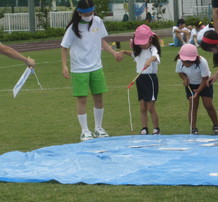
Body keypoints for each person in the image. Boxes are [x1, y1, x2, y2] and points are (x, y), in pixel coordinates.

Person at [61, 0, 123, 142]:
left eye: (91, 12)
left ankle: (98, 128)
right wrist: (64, 65)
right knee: (82, 99)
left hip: (96, 66)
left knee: (98, 97)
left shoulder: (97, 21)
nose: (89, 15)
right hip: (79, 68)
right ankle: (85, 130)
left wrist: (114, 53)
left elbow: (101, 40)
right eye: (86, 13)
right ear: (79, 12)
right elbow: (64, 47)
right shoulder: (73, 27)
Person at [121, 24, 161, 135]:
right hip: (140, 78)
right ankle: (144, 128)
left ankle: (156, 128)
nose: (142, 45)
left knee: (151, 107)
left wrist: (150, 61)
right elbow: (134, 55)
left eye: (144, 42)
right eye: (140, 43)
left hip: (150, 79)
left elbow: (156, 56)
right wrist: (124, 51)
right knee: (142, 106)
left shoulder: (153, 48)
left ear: (150, 39)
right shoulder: (138, 50)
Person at [175, 44, 218, 135]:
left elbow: (205, 78)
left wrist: (198, 91)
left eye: (189, 61)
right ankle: (193, 129)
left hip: (205, 83)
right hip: (190, 85)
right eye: (185, 61)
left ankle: (216, 126)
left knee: (208, 104)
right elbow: (180, 73)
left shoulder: (202, 62)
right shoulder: (179, 62)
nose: (187, 64)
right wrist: (185, 79)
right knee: (193, 106)